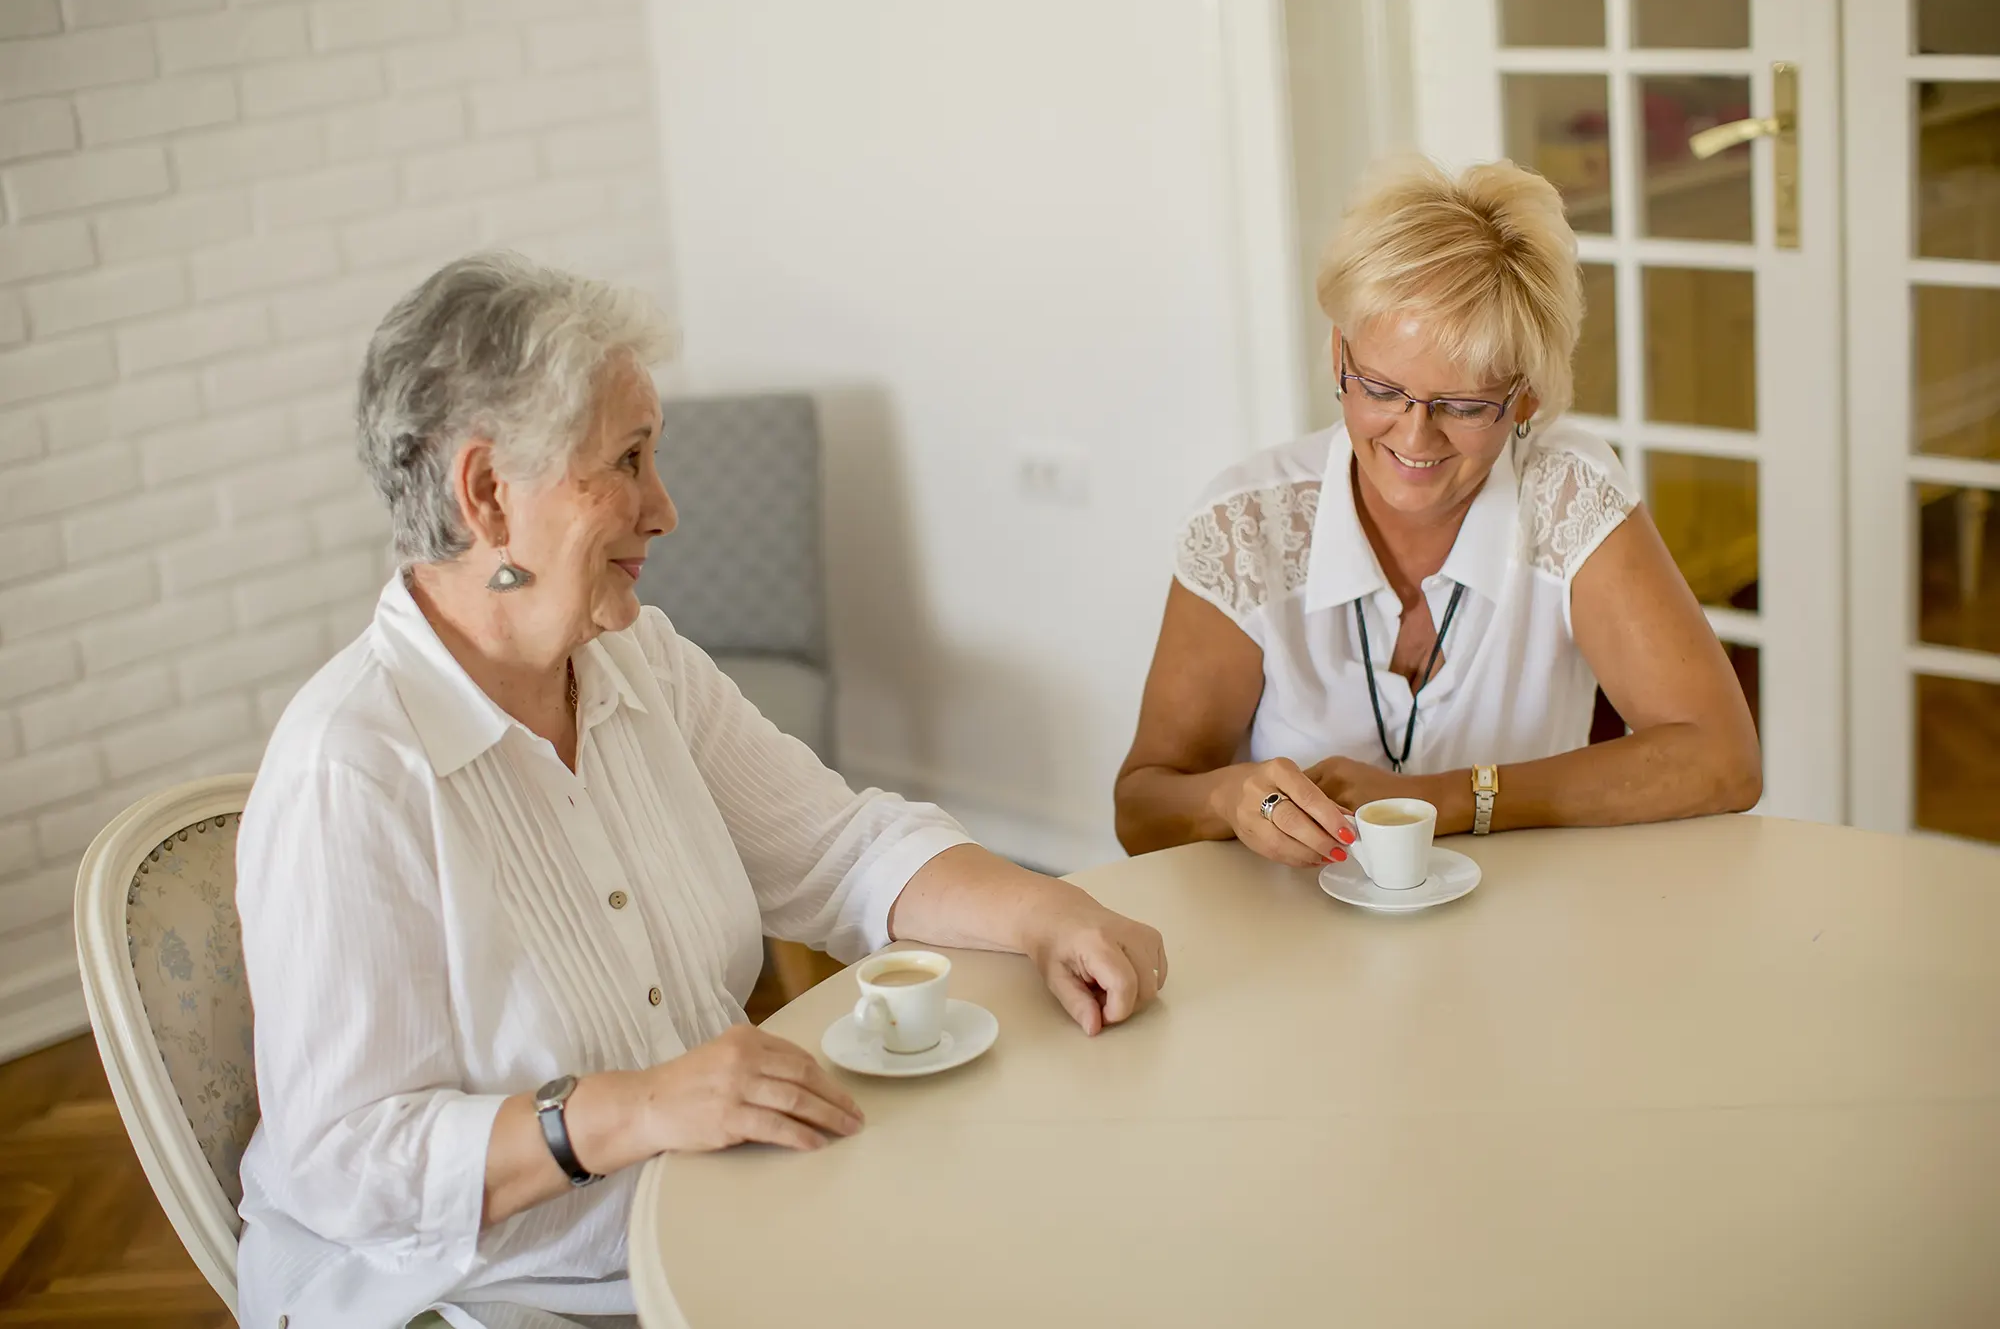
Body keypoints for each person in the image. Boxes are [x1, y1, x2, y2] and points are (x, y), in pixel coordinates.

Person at [235, 253, 1168, 1329]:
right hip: (480, 1294)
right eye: (626, 462)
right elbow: (344, 1164)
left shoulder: (638, 665)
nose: (665, 509)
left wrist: (1048, 907)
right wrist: (630, 1110)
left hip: (707, 1212)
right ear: (487, 492)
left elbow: (839, 849)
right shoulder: (347, 770)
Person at [1114, 157, 1761, 867]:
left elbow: (1722, 759)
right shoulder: (1247, 523)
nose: (1416, 437)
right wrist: (1230, 799)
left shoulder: (1568, 495)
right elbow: (1141, 808)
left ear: (1526, 398)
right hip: (1292, 936)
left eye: (1463, 405)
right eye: (1383, 390)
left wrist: (1448, 798)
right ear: (1339, 357)